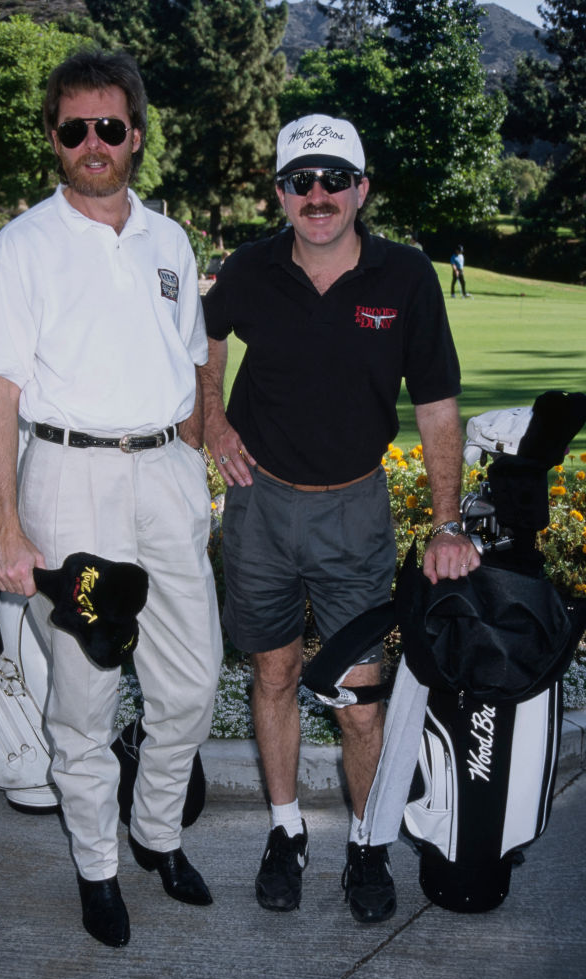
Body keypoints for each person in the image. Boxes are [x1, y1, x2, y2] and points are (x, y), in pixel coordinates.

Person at [201, 114, 480, 925]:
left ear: (361, 189)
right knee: (275, 675)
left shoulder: (408, 278)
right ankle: (286, 832)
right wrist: (213, 419)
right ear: (280, 193)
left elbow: (436, 406)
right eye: (299, 182)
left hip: (355, 512)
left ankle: (367, 844)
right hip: (260, 505)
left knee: (361, 699)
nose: (316, 196)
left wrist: (446, 523)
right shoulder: (251, 268)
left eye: (332, 179)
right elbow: (205, 344)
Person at [0, 50, 223, 948]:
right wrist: (6, 523)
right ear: (55, 138)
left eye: (108, 128)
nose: (92, 143)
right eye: (74, 128)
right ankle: (98, 866)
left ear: (135, 138)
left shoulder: (170, 241)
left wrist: (204, 445)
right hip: (69, 482)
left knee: (191, 683)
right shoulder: (24, 243)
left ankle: (156, 834)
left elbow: (194, 356)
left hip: (164, 475)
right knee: (84, 696)